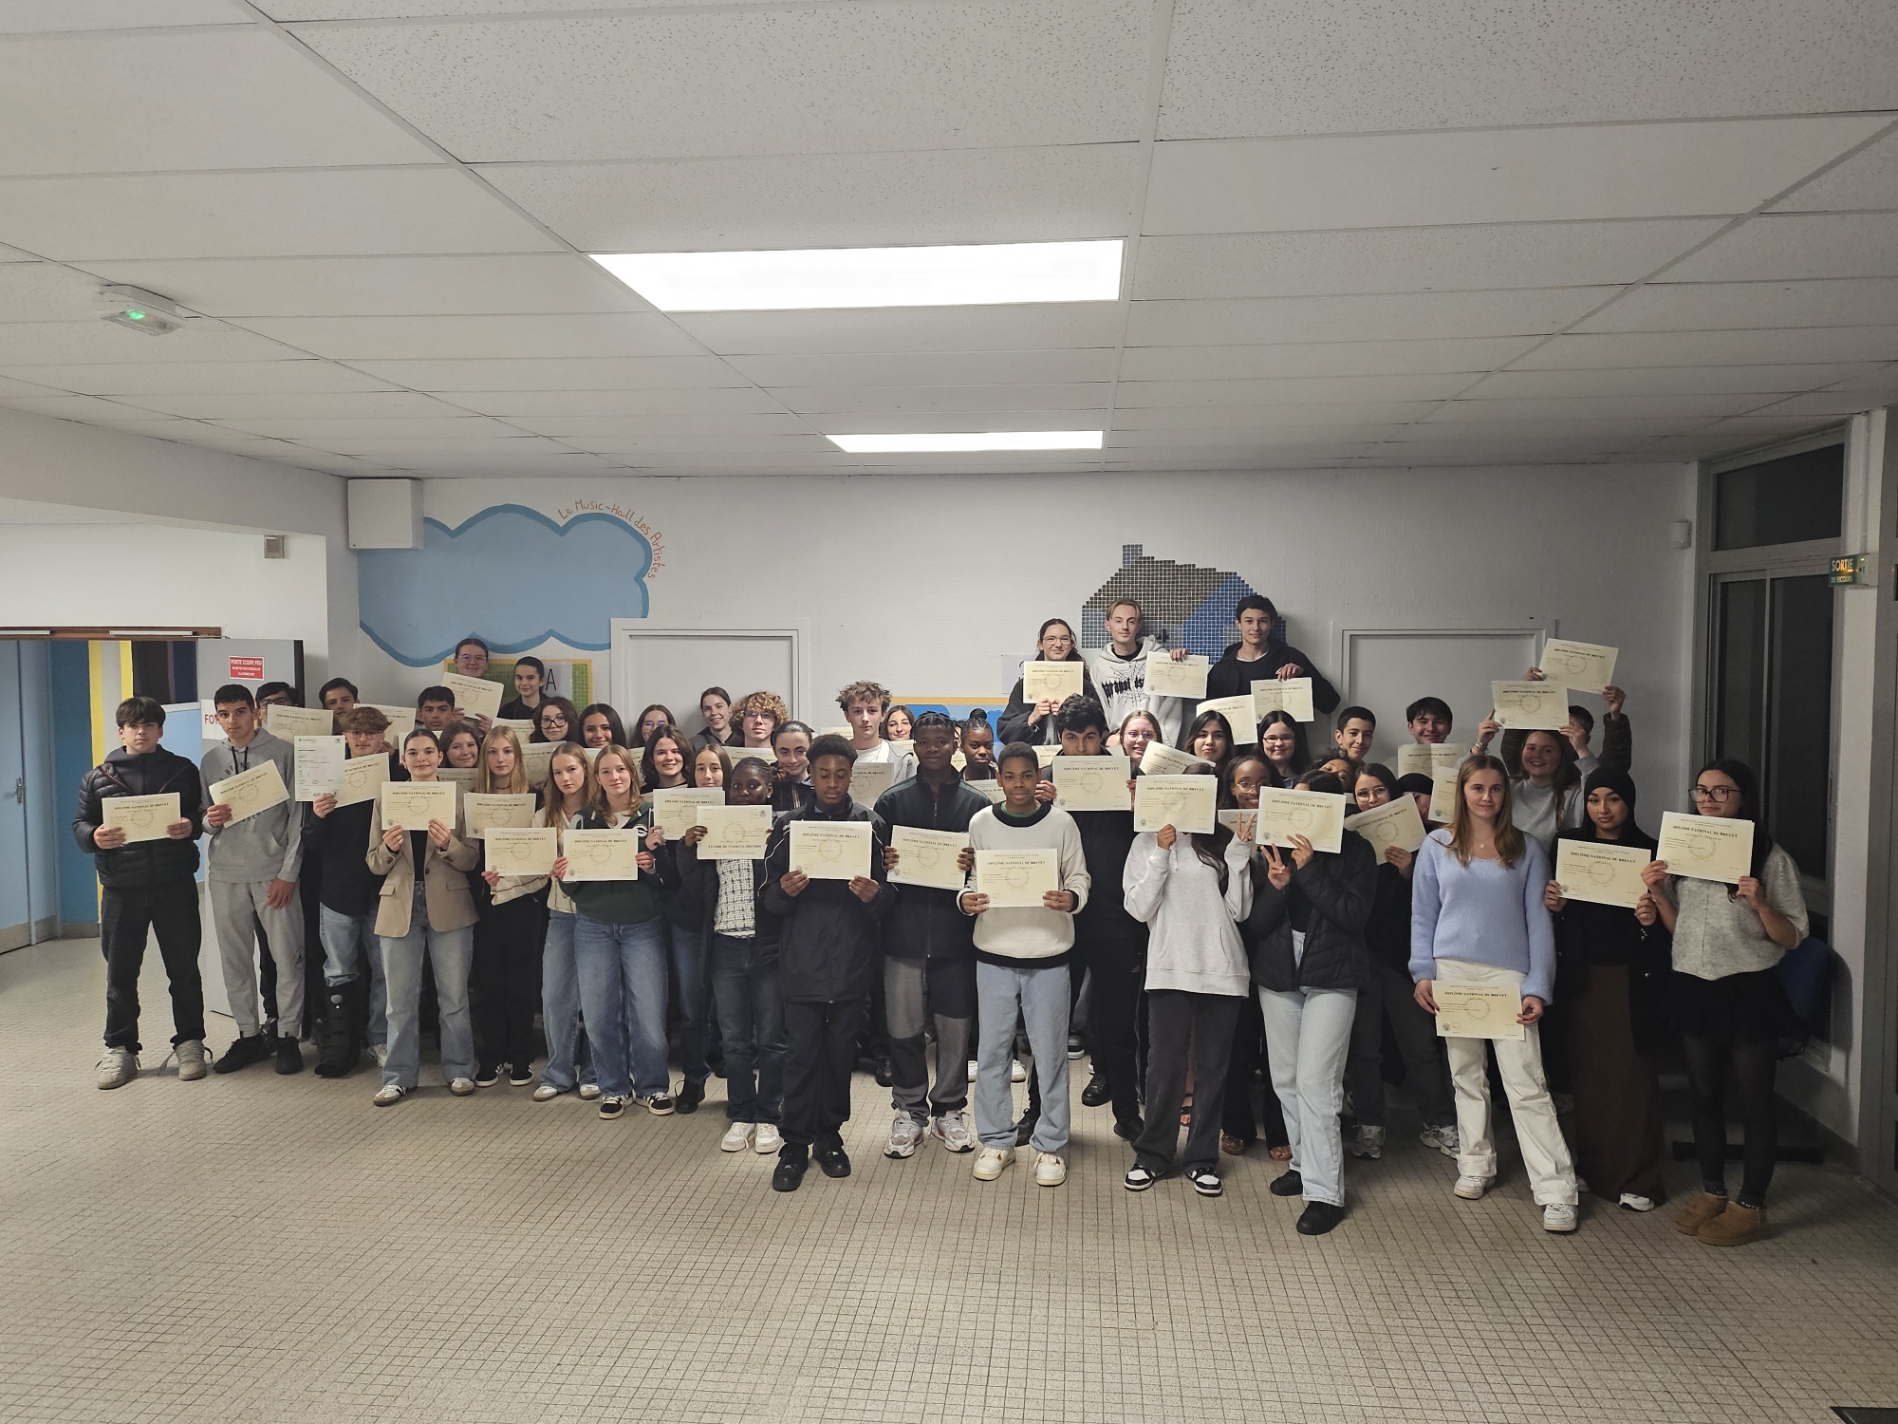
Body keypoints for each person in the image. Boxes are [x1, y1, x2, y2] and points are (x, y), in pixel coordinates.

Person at [1410, 756, 1579, 1234]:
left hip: (1508, 975)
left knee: (1526, 1082)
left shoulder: (1527, 848)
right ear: (1462, 792)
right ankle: (1475, 1163)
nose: (1487, 797)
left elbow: (1538, 921)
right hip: (1452, 972)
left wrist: (1538, 986)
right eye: (1478, 788)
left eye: (1496, 789)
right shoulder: (1436, 845)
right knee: (1466, 1075)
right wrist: (1423, 972)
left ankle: (1556, 1190)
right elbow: (1423, 914)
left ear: (1506, 793)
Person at [1643, 759, 1807, 1248]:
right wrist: (1658, 892)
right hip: (1694, 985)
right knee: (1704, 1095)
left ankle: (1751, 1206)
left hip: (1748, 989)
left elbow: (1791, 936)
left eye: (1721, 791)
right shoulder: (1684, 849)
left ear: (1743, 798)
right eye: (1701, 790)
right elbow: (1680, 926)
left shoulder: (1770, 857)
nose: (1708, 800)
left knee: (1754, 1102)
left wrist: (1761, 903)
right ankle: (1712, 1190)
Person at [762, 735, 892, 1191]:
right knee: (800, 1057)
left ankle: (830, 1139)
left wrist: (876, 896)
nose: (832, 783)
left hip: (852, 963)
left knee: (839, 1057)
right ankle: (794, 1144)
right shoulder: (789, 826)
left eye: (840, 775)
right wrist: (784, 892)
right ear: (810, 776)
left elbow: (891, 893)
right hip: (802, 963)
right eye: (823, 775)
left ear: (851, 776)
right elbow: (767, 896)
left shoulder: (871, 824)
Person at [1249, 771, 1376, 1236]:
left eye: (1309, 804)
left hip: (1334, 974)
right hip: (1279, 971)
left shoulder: (1356, 850)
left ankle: (1325, 1193)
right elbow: (1256, 926)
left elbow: (1353, 916)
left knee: (1318, 1084)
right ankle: (1303, 1164)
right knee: (1285, 1078)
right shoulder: (1275, 846)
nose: (1298, 811)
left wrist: (1309, 871)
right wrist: (1278, 885)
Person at [960, 740, 1089, 1187]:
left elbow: (1079, 876)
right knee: (993, 1052)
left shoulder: (1061, 822)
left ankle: (1050, 1144)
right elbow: (970, 878)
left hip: (1049, 952)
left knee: (1050, 1054)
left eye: (1027, 776)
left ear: (1039, 778)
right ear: (998, 779)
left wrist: (1071, 897)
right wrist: (966, 899)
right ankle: (996, 1140)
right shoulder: (980, 822)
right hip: (994, 952)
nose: (1019, 785)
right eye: (1010, 776)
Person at [1121, 765, 1254, 1197]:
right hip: (1169, 965)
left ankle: (1202, 1158)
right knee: (1165, 1065)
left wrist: (1240, 856)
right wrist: (1161, 853)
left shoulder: (1225, 840)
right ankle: (1153, 1154)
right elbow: (1138, 908)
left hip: (1222, 966)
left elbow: (1239, 911)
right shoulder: (1146, 841)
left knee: (1214, 1067)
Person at [1547, 767, 1669, 1213]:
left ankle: (1640, 1177)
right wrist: (1557, 906)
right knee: (1590, 1075)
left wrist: (1651, 920)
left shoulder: (1651, 852)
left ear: (1629, 803)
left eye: (1613, 799)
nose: (1603, 809)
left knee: (1632, 1076)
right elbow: (1563, 920)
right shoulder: (1567, 846)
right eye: (1594, 799)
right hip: (1583, 978)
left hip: (1631, 978)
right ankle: (1594, 1167)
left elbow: (1671, 930)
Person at [76, 696, 208, 1090]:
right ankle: (120, 1049)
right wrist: (94, 836)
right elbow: (80, 824)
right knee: (120, 974)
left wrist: (191, 825)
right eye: (134, 725)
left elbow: (201, 814)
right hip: (121, 889)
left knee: (184, 970)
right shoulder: (98, 778)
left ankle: (190, 1043)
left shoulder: (182, 770)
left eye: (149, 724)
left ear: (160, 730)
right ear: (121, 731)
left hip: (174, 884)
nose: (141, 731)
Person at [875, 711, 989, 1160]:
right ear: (915, 746)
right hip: (902, 933)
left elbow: (990, 868)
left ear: (954, 744)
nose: (933, 748)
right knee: (903, 1030)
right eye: (925, 742)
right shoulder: (893, 801)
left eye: (942, 741)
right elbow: (873, 867)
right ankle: (908, 1110)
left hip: (955, 936)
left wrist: (974, 862)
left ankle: (949, 1109)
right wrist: (885, 861)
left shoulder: (977, 804)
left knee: (955, 1029)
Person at [1342, 764, 1459, 1161]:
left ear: (1393, 794)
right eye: (1363, 793)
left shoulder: (1423, 842)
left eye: (1379, 791)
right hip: (1360, 958)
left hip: (1404, 961)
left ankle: (1439, 1122)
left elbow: (1435, 907)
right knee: (1364, 1049)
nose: (1371, 799)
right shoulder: (1349, 842)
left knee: (1419, 1046)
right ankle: (1370, 1124)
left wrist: (1410, 872)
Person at [669, 756, 784, 1153]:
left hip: (767, 947)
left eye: (753, 786)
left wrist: (775, 848)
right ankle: (741, 1113)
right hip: (725, 946)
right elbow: (699, 889)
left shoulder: (780, 830)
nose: (744, 793)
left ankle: (769, 1113)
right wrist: (688, 848)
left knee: (771, 1037)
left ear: (769, 790)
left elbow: (787, 892)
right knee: (734, 1039)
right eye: (737, 786)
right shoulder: (714, 830)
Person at [367, 728, 481, 1105]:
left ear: (440, 757)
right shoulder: (386, 799)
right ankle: (398, 1076)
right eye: (413, 753)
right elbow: (373, 863)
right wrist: (388, 848)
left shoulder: (459, 798)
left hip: (449, 903)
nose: (421, 759)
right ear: (403, 760)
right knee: (399, 1001)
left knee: (454, 996)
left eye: (429, 751)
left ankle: (460, 1069)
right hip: (399, 904)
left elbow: (472, 859)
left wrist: (449, 844)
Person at [1053, 698, 1149, 1143]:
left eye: (1089, 737)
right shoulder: (1047, 779)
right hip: (1061, 917)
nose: (1081, 747)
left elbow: (1155, 837)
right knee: (1052, 1024)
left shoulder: (1128, 776)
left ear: (1102, 737)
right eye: (1072, 738)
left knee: (1118, 1025)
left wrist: (1140, 806)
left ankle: (1127, 1113)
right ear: (1060, 738)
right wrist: (1041, 806)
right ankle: (1040, 1110)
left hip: (1115, 916)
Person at [558, 743, 669, 1120]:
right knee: (599, 1013)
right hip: (594, 926)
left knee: (648, 1013)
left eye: (620, 769)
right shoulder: (584, 820)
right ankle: (614, 1088)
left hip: (643, 925)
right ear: (597, 778)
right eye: (605, 771)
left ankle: (653, 1087)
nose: (614, 777)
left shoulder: (652, 815)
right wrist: (564, 874)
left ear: (631, 773)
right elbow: (573, 887)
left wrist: (651, 866)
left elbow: (667, 880)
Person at [199, 684, 306, 1075]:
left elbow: (298, 818)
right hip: (226, 874)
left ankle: (288, 1036)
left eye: (240, 712)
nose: (233, 721)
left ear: (255, 713)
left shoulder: (284, 753)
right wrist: (209, 821)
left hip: (272, 873)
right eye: (224, 714)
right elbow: (203, 818)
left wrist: (287, 873)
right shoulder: (210, 760)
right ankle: (248, 1036)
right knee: (236, 961)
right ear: (217, 717)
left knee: (287, 958)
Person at [306, 706, 395, 1078]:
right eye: (356, 732)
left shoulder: (396, 775)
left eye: (371, 733)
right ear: (344, 735)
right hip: (338, 890)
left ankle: (380, 1039)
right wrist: (318, 815)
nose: (362, 739)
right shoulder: (326, 777)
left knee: (385, 971)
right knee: (339, 969)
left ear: (382, 737)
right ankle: (341, 1045)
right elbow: (311, 844)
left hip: (384, 889)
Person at [1218, 753, 1294, 1163]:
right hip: (1230, 946)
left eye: (1262, 782)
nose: (1253, 791)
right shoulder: (1215, 831)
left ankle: (1280, 1128)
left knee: (1277, 1047)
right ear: (1232, 788)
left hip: (1275, 946)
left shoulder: (1287, 830)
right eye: (1245, 783)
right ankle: (1236, 1125)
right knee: (1238, 1042)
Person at [644, 730, 719, 1113]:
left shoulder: (740, 806)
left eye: (714, 769)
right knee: (692, 1006)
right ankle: (694, 1078)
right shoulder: (676, 808)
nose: (708, 775)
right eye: (701, 769)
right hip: (688, 920)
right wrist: (661, 851)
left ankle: (743, 1079)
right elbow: (671, 879)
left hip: (734, 919)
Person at [469, 726, 543, 1089]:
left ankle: (521, 1055)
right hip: (484, 900)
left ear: (518, 756)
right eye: (493, 752)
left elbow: (541, 851)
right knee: (488, 981)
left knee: (521, 981)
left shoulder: (534, 798)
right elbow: (467, 853)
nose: (500, 759)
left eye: (507, 751)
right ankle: (492, 1054)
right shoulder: (473, 799)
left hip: (523, 901)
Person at [529, 744, 599, 1104]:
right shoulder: (544, 816)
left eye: (571, 769)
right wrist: (503, 875)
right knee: (555, 995)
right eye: (557, 772)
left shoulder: (603, 810)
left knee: (597, 996)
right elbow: (533, 868)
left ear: (585, 769)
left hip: (599, 914)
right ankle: (558, 1072)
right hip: (560, 913)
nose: (565, 778)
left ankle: (594, 1072)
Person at [1205, 594, 1339, 713]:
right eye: (1249, 621)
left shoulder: (1290, 657)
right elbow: (1207, 712)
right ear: (1238, 624)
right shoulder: (1223, 667)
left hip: (1284, 734)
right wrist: (1189, 668)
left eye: (1263, 621)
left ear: (1272, 623)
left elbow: (1330, 704)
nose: (1256, 628)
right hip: (1236, 734)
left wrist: (1303, 676)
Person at [1085, 597, 1191, 748]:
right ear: (1107, 625)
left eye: (1131, 621)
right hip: (1119, 745)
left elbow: (1175, 700)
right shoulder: (1099, 668)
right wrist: (1109, 740)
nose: (1125, 627)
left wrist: (1184, 662)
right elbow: (1099, 712)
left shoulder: (1160, 658)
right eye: (1118, 621)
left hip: (1157, 743)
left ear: (1139, 626)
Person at [999, 619, 1100, 746]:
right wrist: (1031, 718)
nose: (1058, 644)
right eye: (1051, 639)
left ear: (1071, 644)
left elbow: (1100, 729)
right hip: (1033, 755)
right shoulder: (1024, 686)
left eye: (1064, 639)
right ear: (1040, 644)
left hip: (1073, 754)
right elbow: (1005, 732)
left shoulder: (1083, 685)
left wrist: (1072, 715)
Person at [836, 680, 917, 781]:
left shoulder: (902, 760)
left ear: (883, 715)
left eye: (872, 711)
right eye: (857, 711)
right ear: (847, 715)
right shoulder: (834, 757)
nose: (865, 718)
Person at [1258, 710, 1312, 787]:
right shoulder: (1253, 778)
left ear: (1296, 741)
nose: (1279, 743)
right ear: (1261, 741)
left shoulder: (1310, 778)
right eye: (1272, 738)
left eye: (1286, 737)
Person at [770, 720, 815, 812]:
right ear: (775, 752)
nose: (793, 760)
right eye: (784, 752)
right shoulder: (766, 785)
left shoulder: (824, 785)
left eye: (800, 751)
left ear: (811, 749)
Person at [639, 724, 692, 793]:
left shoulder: (697, 787)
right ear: (651, 758)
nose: (669, 757)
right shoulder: (642, 795)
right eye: (661, 752)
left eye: (675, 751)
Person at [498, 655, 547, 721]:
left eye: (530, 678)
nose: (524, 683)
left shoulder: (555, 708)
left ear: (541, 681)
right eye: (519, 678)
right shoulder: (506, 711)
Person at [694, 686, 738, 751]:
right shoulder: (695, 745)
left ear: (730, 708)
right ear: (703, 713)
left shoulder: (746, 739)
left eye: (719, 706)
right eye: (707, 709)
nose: (714, 713)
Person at [960, 711, 997, 779]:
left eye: (988, 746)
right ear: (962, 747)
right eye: (974, 746)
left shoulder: (1003, 782)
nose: (982, 752)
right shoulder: (952, 783)